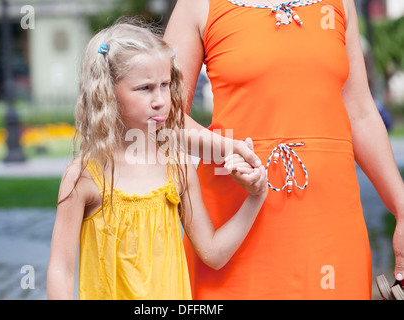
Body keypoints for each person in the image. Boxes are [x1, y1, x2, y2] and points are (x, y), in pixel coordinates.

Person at [164, 0, 404, 299]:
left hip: (329, 224)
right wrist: (229, 150)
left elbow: (360, 112)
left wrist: (402, 207)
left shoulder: (341, 4)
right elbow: (162, 118)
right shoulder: (197, 5)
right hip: (233, 225)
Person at [46, 20, 268, 300]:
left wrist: (256, 196)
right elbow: (60, 270)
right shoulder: (84, 176)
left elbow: (213, 253)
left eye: (165, 85)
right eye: (145, 88)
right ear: (107, 92)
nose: (161, 99)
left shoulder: (177, 166)